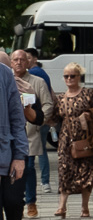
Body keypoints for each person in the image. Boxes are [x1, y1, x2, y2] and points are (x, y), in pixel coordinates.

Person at [54, 62, 93, 219]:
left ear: (79, 76)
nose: (69, 79)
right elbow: (53, 116)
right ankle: (62, 207)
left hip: (87, 139)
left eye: (72, 76)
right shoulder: (60, 98)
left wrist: (89, 115)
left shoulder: (89, 94)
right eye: (66, 76)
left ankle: (85, 207)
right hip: (66, 139)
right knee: (64, 170)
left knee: (87, 172)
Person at [13, 49, 53, 220]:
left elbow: (48, 105)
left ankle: (31, 202)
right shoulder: (7, 81)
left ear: (28, 62)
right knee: (13, 171)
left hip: (30, 134)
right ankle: (16, 203)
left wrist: (39, 121)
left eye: (23, 59)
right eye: (16, 59)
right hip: (11, 136)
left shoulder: (37, 82)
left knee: (28, 168)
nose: (19, 62)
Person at [0, 54, 23, 220]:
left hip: (6, 152)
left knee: (14, 201)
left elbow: (17, 117)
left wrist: (20, 155)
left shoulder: (5, 74)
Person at [24, 50, 55, 190]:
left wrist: (41, 117)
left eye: (27, 58)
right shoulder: (43, 73)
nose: (25, 61)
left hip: (36, 119)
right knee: (40, 150)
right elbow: (51, 93)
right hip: (41, 117)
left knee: (36, 151)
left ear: (34, 59)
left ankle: (44, 182)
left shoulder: (34, 74)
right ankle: (45, 182)